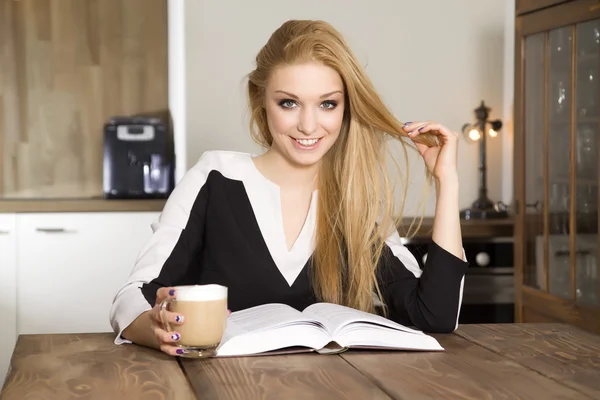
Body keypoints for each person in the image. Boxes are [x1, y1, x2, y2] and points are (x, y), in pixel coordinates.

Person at [109, 19, 468, 356]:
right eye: (289, 103)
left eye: (328, 103)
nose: (308, 125)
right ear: (261, 102)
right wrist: (159, 331)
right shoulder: (214, 178)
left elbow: (434, 315)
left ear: (345, 108)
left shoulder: (357, 201)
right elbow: (131, 299)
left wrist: (446, 181)